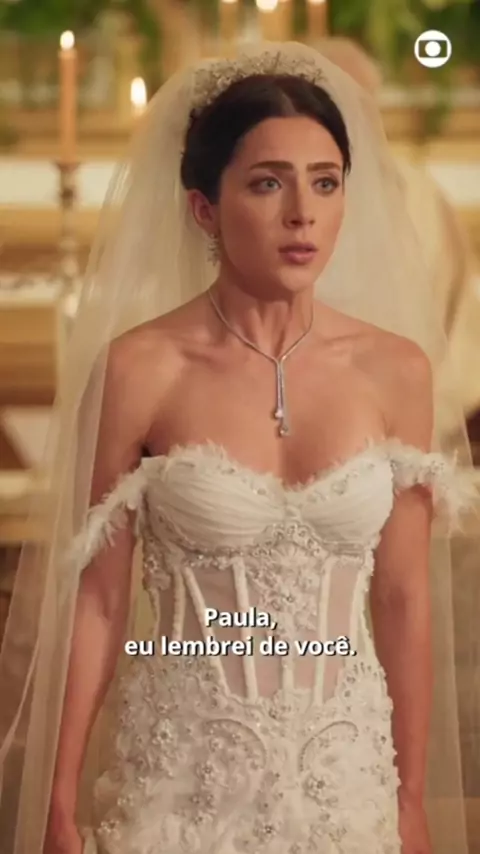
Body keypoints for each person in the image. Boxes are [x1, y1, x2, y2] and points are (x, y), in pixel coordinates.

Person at [0, 41, 477, 854]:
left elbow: (402, 598)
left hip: (346, 776)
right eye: (267, 183)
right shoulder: (139, 369)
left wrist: (408, 800)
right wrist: (57, 799)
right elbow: (99, 601)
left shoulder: (397, 370)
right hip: (181, 778)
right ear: (203, 209)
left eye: (325, 182)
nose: (303, 214)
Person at [318, 36, 480, 443]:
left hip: (413, 408)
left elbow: (456, 311)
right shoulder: (271, 193)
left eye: (363, 104)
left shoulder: (418, 194)